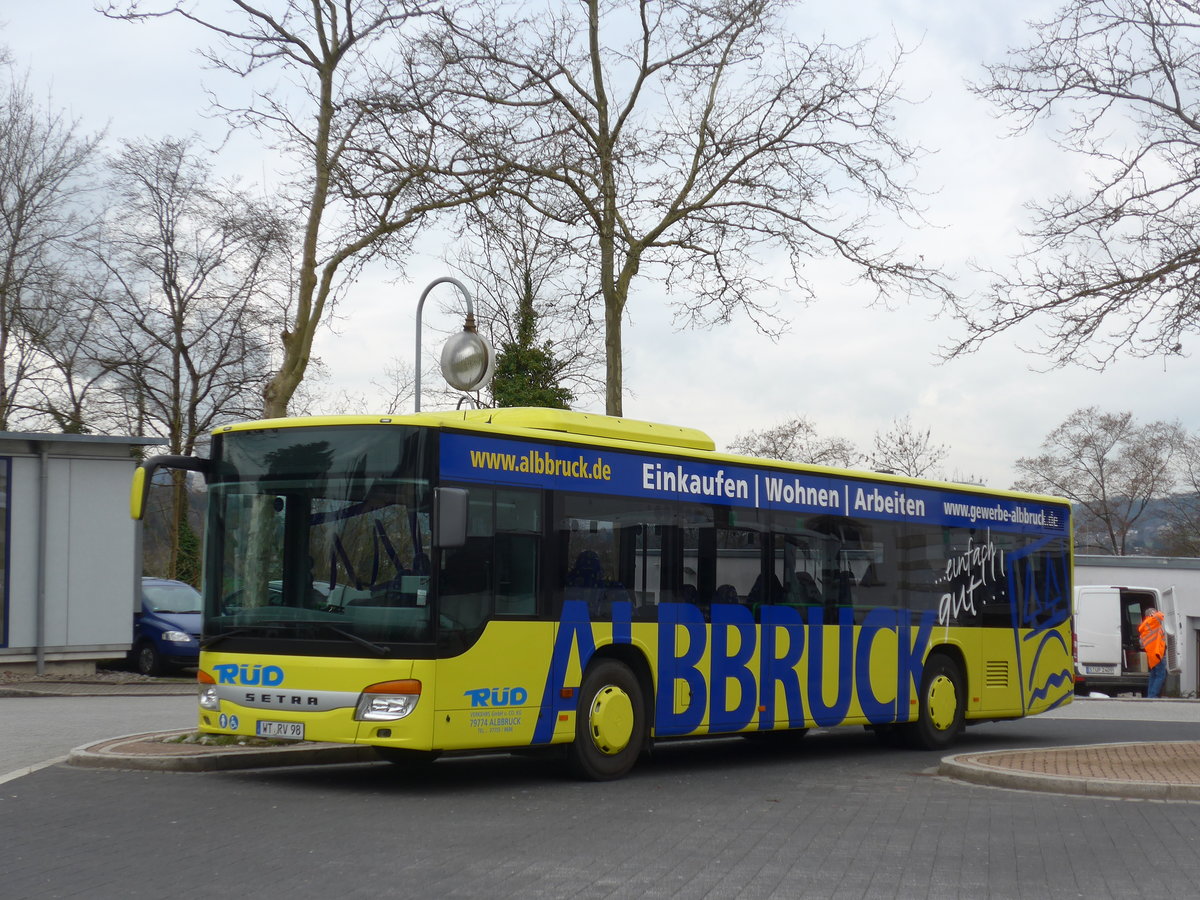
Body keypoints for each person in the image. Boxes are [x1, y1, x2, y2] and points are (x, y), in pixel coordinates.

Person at [1138, 607, 1168, 698]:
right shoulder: (1152, 621)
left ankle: (1150, 695)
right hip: (1158, 653)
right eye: (1153, 613)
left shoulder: (1144, 626)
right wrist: (1154, 614)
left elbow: (1142, 644)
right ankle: (1152, 695)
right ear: (1151, 614)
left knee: (1154, 675)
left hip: (1152, 655)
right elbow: (1161, 615)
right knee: (1160, 676)